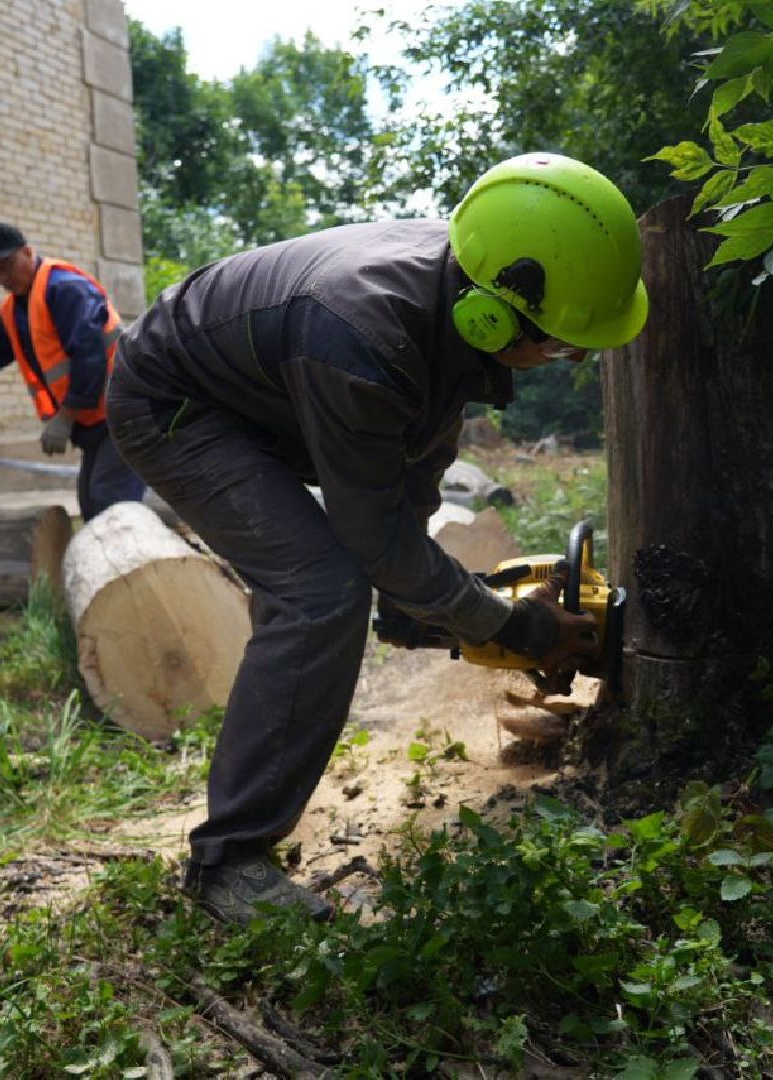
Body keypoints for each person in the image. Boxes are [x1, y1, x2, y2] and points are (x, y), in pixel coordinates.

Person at [106, 153, 649, 925]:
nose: (567, 360)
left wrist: (422, 608)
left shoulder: (461, 284)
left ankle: (244, 830)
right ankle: (228, 861)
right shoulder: (363, 334)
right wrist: (511, 625)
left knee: (367, 574)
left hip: (264, 395)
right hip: (173, 404)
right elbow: (373, 539)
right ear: (493, 317)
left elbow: (412, 471)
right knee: (319, 588)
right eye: (562, 346)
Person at [0, 224, 143, 523]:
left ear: (28, 252)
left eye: (7, 266)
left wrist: (65, 417)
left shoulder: (65, 289)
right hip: (97, 420)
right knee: (92, 503)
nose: (3, 278)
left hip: (125, 408)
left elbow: (90, 356)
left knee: (109, 503)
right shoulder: (14, 309)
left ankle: (134, 564)